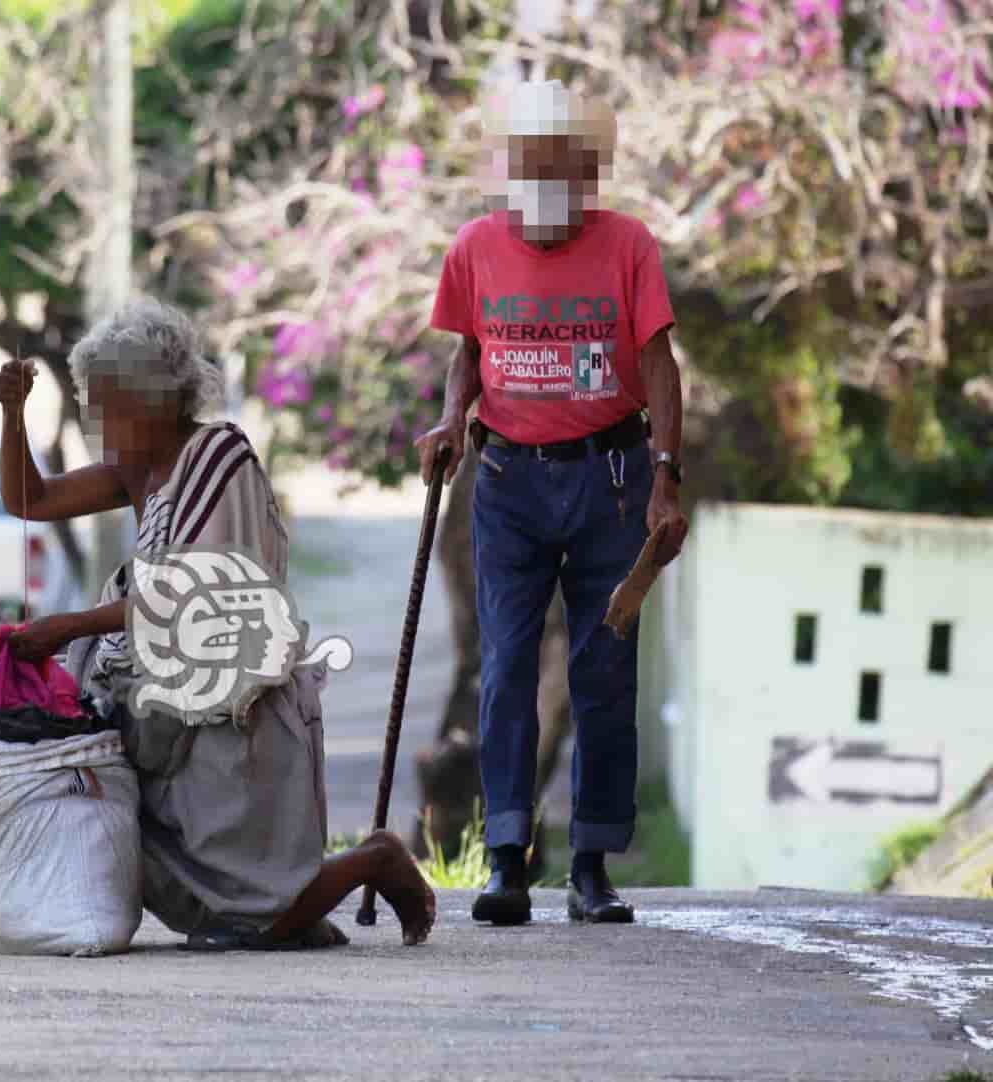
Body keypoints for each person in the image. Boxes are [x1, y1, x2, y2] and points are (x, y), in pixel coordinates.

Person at [0, 296, 435, 950]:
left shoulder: (216, 455)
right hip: (164, 714)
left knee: (251, 910)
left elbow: (197, 590)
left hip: (232, 716)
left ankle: (377, 861)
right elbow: (30, 498)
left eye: (113, 405)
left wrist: (66, 627)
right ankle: (325, 899)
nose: (103, 422)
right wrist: (12, 414)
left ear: (158, 399)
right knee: (213, 903)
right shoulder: (134, 472)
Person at [416, 80, 689, 926]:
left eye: (560, 167)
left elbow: (658, 366)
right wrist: (452, 417)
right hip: (507, 484)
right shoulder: (474, 245)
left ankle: (593, 867)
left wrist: (666, 475)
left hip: (610, 481)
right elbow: (471, 350)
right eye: (528, 164)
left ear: (585, 171)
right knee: (504, 669)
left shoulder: (628, 245)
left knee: (603, 671)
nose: (543, 184)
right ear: (513, 168)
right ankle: (506, 862)